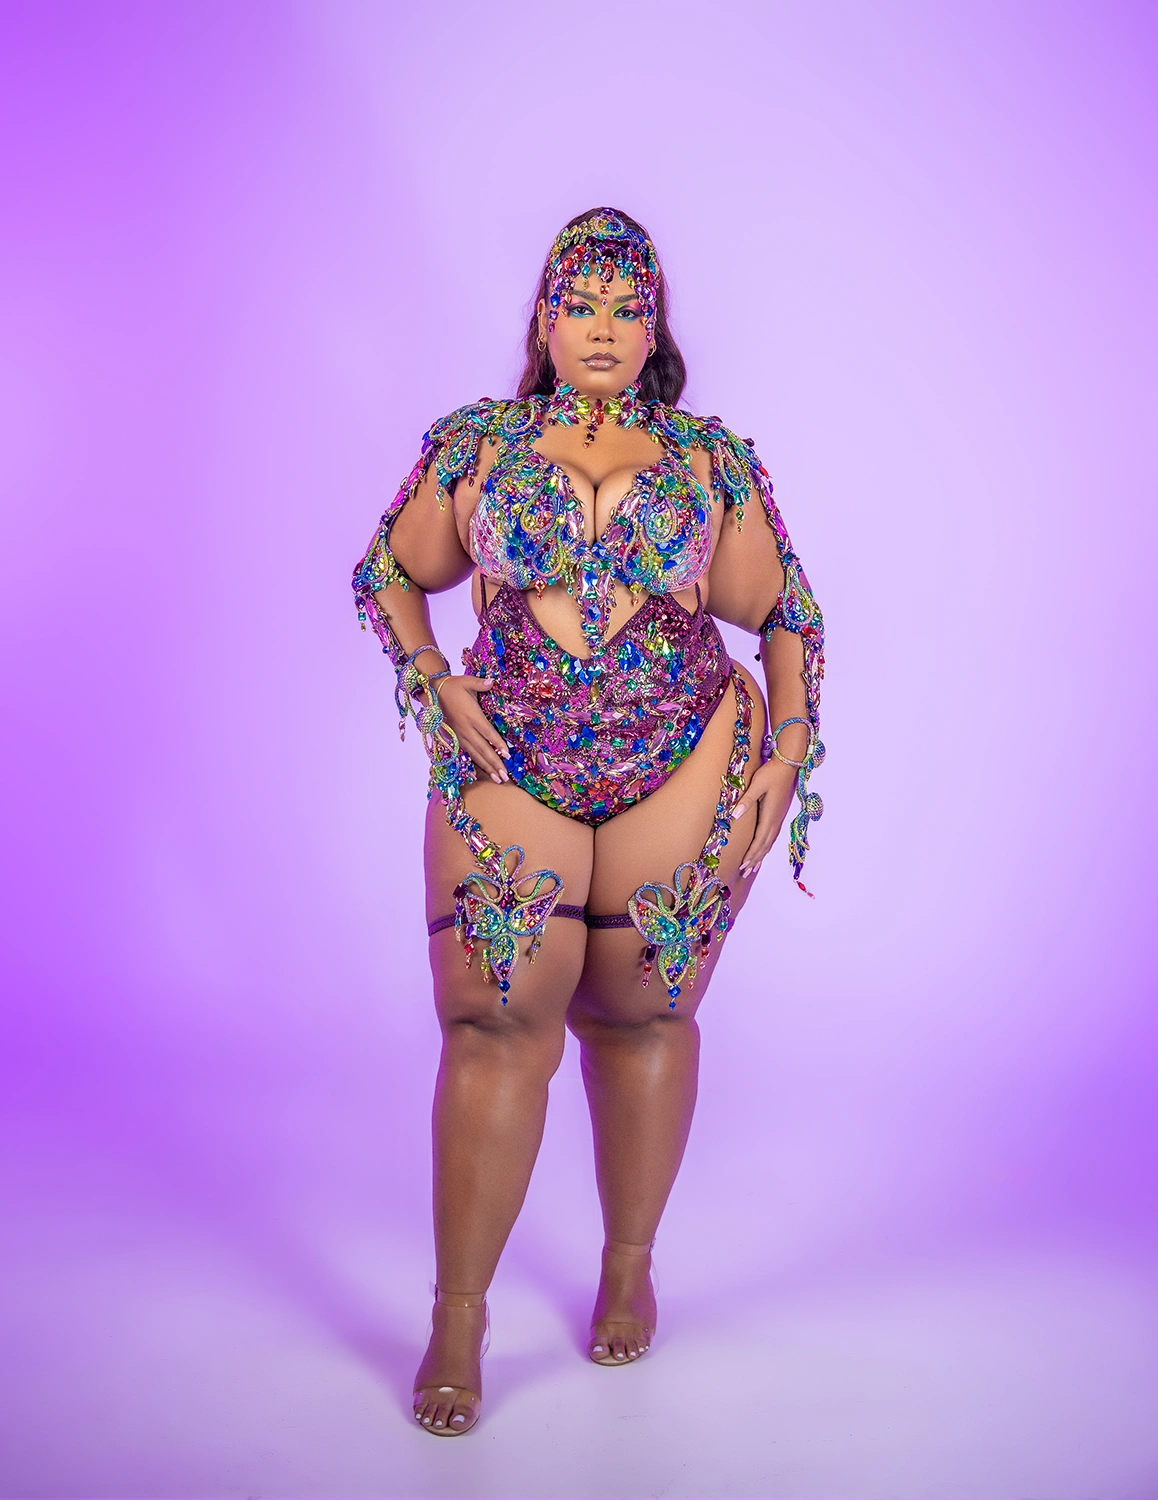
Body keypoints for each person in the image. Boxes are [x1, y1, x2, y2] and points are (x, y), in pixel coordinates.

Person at [352, 208, 825, 1435]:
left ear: (656, 329)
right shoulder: (477, 446)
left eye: (629, 309)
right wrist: (432, 676)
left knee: (640, 1016)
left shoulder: (709, 461)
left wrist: (788, 750)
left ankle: (628, 1264)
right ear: (544, 319)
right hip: (515, 752)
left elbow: (789, 614)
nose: (605, 329)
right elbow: (386, 571)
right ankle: (460, 1315)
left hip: (684, 755)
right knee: (490, 1022)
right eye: (582, 305)